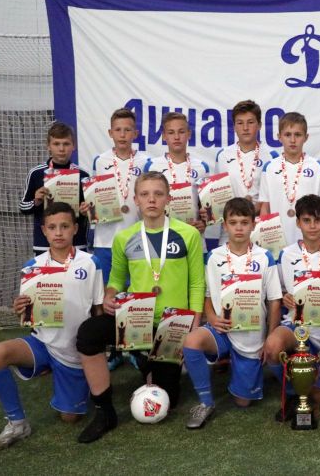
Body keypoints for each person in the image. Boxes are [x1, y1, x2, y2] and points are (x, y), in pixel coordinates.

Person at [75, 171, 205, 442]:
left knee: (169, 400)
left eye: (158, 194)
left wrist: (194, 323)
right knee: (88, 333)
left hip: (172, 324)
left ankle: (143, 359)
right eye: (145, 194)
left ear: (168, 199)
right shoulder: (124, 238)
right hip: (135, 319)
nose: (152, 199)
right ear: (135, 200)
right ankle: (104, 411)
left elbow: (196, 284)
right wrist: (110, 295)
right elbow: (115, 281)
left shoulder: (189, 235)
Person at [0, 203, 103, 450]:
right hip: (42, 342)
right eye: (52, 227)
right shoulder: (32, 266)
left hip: (74, 352)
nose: (58, 232)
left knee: (70, 418)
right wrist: (20, 308)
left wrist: (99, 354)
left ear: (75, 229)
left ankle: (78, 382)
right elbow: (29, 315)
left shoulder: (91, 263)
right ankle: (17, 423)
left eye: (64, 226)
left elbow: (97, 311)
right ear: (44, 231)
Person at [181, 197, 282, 429]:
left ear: (253, 225)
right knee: (192, 341)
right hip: (221, 330)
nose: (239, 228)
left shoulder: (264, 257)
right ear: (224, 225)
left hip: (251, 334)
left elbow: (274, 301)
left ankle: (241, 373)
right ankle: (206, 402)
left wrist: (270, 337)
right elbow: (207, 295)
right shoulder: (213, 257)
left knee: (243, 402)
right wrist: (211, 317)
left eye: (244, 222)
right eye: (233, 222)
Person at [262, 194, 320, 421]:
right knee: (273, 347)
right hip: (296, 325)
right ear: (298, 223)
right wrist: (285, 298)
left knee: (318, 396)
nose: (313, 226)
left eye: (318, 220)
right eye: (306, 220)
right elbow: (279, 292)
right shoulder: (286, 254)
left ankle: (308, 388)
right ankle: (292, 393)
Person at [85, 107, 150, 283]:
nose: (122, 135)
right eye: (118, 130)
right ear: (110, 133)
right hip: (105, 240)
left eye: (127, 130)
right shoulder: (100, 161)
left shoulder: (146, 162)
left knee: (136, 291)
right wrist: (88, 207)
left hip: (137, 238)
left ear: (135, 133)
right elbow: (93, 195)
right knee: (108, 291)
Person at [144, 111, 212, 250]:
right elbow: (144, 203)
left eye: (181, 132)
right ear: (164, 136)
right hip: (162, 238)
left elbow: (206, 206)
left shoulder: (201, 167)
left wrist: (204, 223)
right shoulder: (152, 166)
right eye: (171, 132)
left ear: (189, 134)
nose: (176, 137)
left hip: (194, 237)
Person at [20, 122, 89, 254]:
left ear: (73, 146)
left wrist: (86, 211)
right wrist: (36, 201)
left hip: (76, 244)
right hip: (44, 245)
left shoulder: (83, 175)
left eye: (66, 144)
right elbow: (23, 207)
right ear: (48, 146)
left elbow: (92, 213)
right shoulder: (36, 173)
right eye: (56, 144)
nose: (61, 149)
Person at [259, 112, 320, 245]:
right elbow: (265, 208)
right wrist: (267, 243)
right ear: (279, 137)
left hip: (310, 241)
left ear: (306, 137)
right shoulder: (269, 168)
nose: (292, 140)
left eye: (298, 134)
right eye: (287, 135)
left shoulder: (317, 167)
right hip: (277, 241)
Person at [213, 100, 277, 243]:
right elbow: (217, 196)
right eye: (240, 123)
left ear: (259, 125)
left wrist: (257, 209)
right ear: (234, 126)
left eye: (250, 122)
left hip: (260, 228)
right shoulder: (223, 155)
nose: (245, 128)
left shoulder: (271, 156)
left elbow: (274, 195)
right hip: (231, 228)